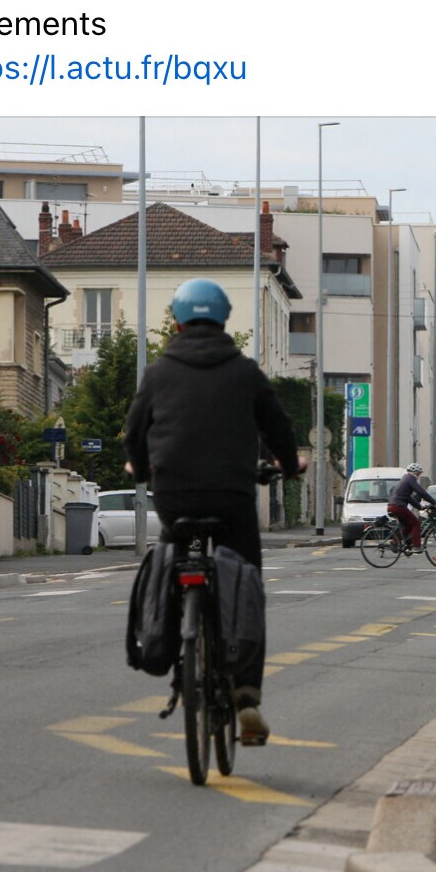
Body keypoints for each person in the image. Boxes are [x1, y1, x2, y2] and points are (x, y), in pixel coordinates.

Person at [123, 278, 305, 746]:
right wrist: (288, 465)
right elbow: (279, 427)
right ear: (223, 319)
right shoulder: (244, 371)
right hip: (232, 497)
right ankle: (246, 695)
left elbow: (133, 433)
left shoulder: (159, 372)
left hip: (175, 495)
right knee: (247, 581)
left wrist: (142, 469)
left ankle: (165, 635)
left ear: (178, 321)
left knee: (171, 554)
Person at [387, 463, 436, 554]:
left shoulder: (404, 479)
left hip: (392, 506)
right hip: (399, 506)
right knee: (416, 523)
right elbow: (420, 491)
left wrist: (420, 507)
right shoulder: (411, 479)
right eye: (419, 473)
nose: (419, 475)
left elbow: (408, 498)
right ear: (416, 472)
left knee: (408, 526)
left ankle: (394, 542)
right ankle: (416, 546)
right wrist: (433, 502)